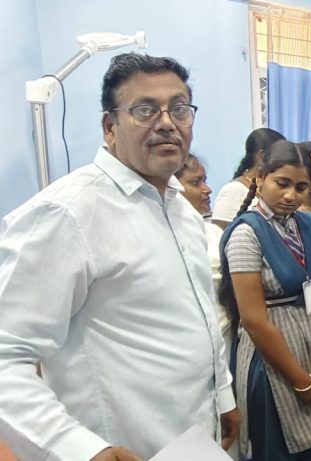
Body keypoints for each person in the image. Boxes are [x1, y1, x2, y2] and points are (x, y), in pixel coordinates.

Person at [0, 52, 238, 461]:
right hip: (122, 445)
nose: (167, 122)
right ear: (110, 127)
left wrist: (223, 395)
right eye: (145, 110)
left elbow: (201, 313)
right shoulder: (67, 213)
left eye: (179, 108)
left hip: (195, 436)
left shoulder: (180, 209)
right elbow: (7, 356)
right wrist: (81, 450)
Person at [219, 140, 311, 461]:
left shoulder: (306, 224)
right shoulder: (246, 234)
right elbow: (254, 320)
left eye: (301, 187)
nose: (291, 195)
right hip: (275, 362)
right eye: (282, 183)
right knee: (280, 449)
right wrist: (301, 381)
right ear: (261, 178)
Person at [175, 153, 232, 345]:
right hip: (189, 340)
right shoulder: (164, 235)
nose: (207, 189)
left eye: (204, 181)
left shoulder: (214, 232)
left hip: (226, 335)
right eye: (196, 182)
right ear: (171, 187)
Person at [211, 127, 286, 229]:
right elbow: (219, 232)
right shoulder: (233, 190)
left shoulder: (274, 187)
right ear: (262, 155)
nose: (287, 161)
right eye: (281, 156)